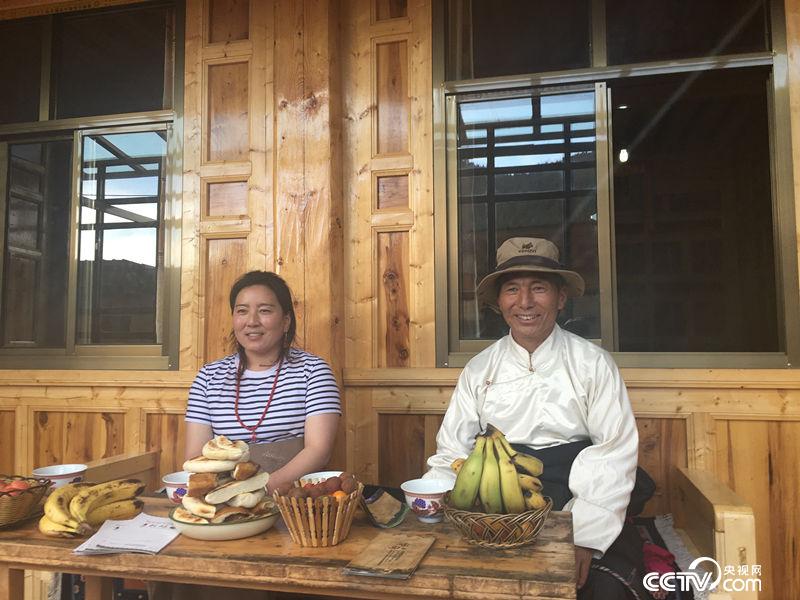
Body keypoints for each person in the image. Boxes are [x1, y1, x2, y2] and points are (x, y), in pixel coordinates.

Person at [425, 237, 646, 599]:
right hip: (497, 502)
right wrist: (430, 503)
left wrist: (585, 535)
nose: (525, 302)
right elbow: (452, 451)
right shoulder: (479, 369)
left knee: (604, 587)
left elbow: (613, 451)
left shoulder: (593, 363)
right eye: (512, 289)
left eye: (539, 288)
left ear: (560, 298)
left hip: (581, 495)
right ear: (499, 303)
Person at [185, 270, 341, 493]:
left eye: (265, 311)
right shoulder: (208, 377)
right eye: (242, 311)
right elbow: (195, 456)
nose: (252, 321)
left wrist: (259, 491)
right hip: (225, 499)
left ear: (286, 321)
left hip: (293, 499)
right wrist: (228, 495)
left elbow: (318, 450)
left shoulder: (313, 371)